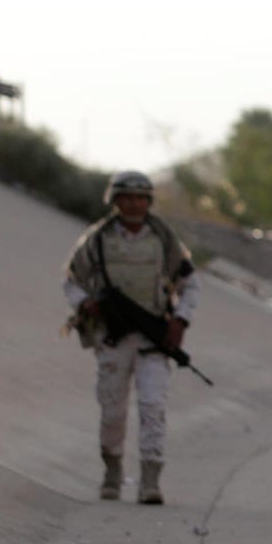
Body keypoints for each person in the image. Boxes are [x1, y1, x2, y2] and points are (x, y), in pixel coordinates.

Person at [62, 170, 199, 505]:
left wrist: (180, 321)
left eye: (140, 197)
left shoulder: (163, 238)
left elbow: (190, 284)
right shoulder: (97, 239)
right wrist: (86, 304)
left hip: (152, 340)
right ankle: (112, 474)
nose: (133, 204)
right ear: (115, 200)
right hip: (112, 338)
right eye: (126, 197)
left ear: (148, 201)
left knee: (153, 407)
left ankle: (150, 481)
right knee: (112, 411)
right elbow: (71, 280)